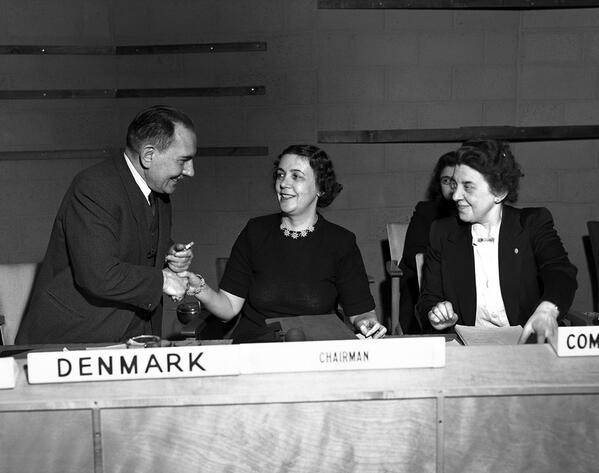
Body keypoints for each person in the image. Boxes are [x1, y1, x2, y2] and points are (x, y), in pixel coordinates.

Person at [16, 105, 196, 344]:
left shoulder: (158, 190)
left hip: (132, 337)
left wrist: (169, 253)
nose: (190, 171)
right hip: (75, 340)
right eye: (183, 160)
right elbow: (100, 275)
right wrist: (164, 280)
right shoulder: (94, 187)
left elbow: (128, 239)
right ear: (148, 155)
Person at [179, 144, 386, 342]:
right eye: (280, 174)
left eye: (296, 176)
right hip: (259, 347)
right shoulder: (255, 232)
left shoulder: (341, 241)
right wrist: (199, 288)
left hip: (315, 350)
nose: (283, 183)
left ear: (321, 188)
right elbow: (229, 308)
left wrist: (367, 324)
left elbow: (362, 312)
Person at [416, 139, 577, 343]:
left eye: (468, 187)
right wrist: (436, 315)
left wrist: (547, 310)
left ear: (499, 192)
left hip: (528, 344)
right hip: (469, 350)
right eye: (455, 185)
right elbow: (427, 300)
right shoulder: (442, 233)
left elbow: (561, 272)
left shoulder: (532, 224)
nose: (455, 195)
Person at [397, 151, 458, 334]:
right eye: (446, 181)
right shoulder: (426, 210)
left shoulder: (474, 213)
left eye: (457, 181)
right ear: (439, 183)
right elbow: (411, 254)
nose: (452, 187)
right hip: (423, 283)